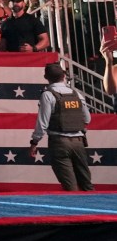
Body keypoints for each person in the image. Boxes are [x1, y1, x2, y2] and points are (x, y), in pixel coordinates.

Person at [29, 62, 93, 191]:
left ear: (46, 77)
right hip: (78, 142)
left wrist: (34, 142)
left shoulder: (47, 95)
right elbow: (87, 119)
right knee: (86, 184)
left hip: (59, 143)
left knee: (70, 186)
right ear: (64, 76)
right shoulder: (76, 94)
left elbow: (43, 122)